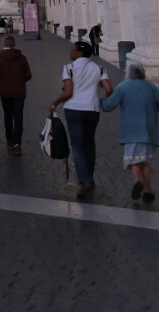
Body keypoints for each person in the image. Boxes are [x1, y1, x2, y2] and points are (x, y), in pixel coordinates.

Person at [50, 42, 113, 200]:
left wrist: (55, 102)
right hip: (92, 109)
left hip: (74, 108)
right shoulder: (99, 68)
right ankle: (89, 178)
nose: (70, 51)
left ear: (79, 52)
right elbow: (109, 89)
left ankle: (84, 181)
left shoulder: (69, 68)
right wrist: (102, 99)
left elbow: (68, 91)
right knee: (89, 143)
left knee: (77, 146)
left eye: (73, 49)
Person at [101, 64, 159, 203]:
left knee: (134, 161)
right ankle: (147, 190)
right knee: (145, 162)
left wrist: (102, 100)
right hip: (149, 131)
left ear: (129, 73)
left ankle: (136, 181)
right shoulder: (152, 88)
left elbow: (109, 105)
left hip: (130, 131)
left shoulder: (123, 87)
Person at [0, 34, 32, 155]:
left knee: (8, 116)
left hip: (5, 92)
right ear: (14, 44)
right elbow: (28, 75)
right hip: (19, 91)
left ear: (3, 44)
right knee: (18, 117)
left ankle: (9, 140)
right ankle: (17, 144)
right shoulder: (22, 57)